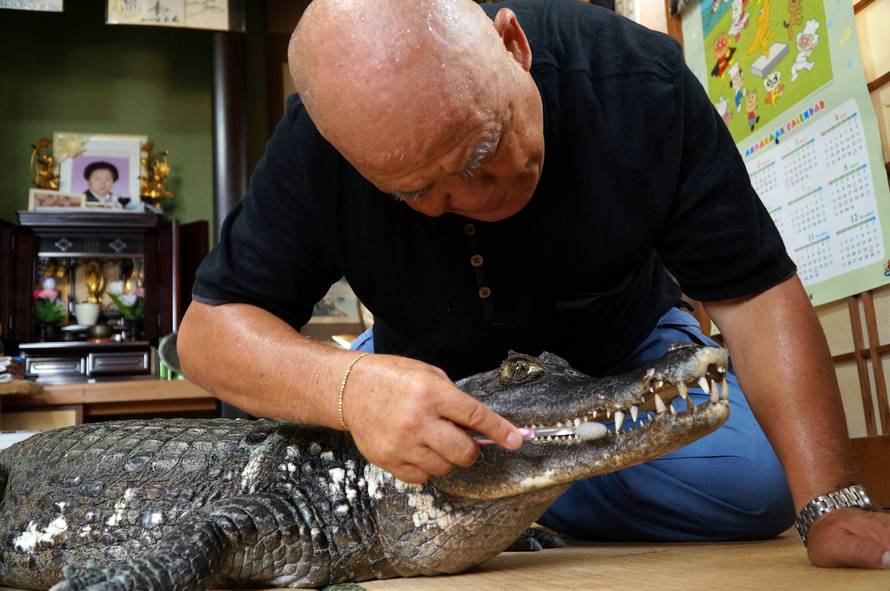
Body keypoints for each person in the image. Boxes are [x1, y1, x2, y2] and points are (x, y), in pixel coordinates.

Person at [178, 0, 890, 569]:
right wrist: (355, 388)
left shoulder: (637, 81)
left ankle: (495, 499)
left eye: (481, 151)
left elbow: (753, 294)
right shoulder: (315, 150)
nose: (465, 195)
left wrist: (831, 502)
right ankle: (478, 479)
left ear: (513, 46)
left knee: (754, 489)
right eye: (414, 190)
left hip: (622, 358)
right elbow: (208, 333)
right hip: (431, 375)